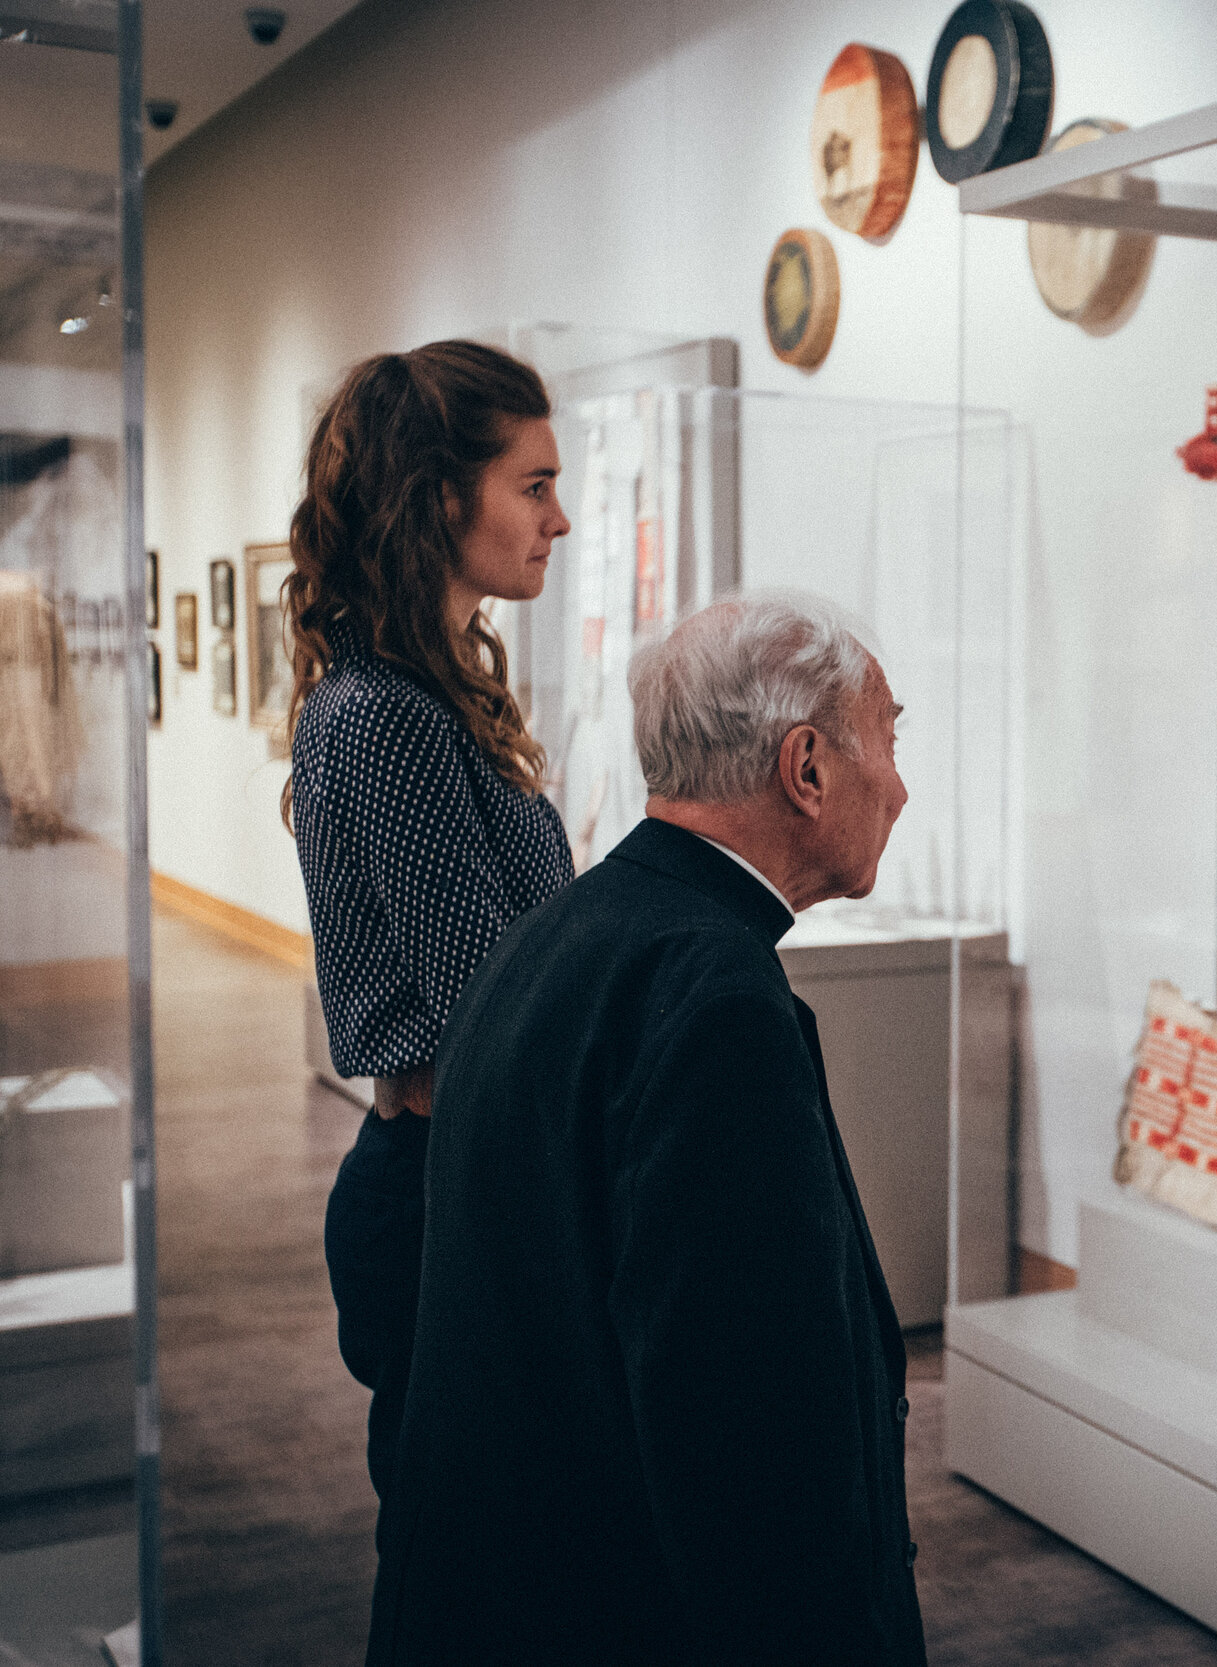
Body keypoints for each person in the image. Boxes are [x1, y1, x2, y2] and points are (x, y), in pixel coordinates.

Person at [366, 592, 924, 1666]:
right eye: (888, 739)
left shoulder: (570, 931)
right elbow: (743, 1437)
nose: (898, 785)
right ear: (805, 769)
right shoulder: (713, 1002)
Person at [283, 340, 574, 1505]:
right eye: (535, 485)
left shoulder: (421, 694)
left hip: (468, 1168)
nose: (560, 517)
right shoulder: (387, 715)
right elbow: (486, 995)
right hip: (446, 1182)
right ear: (443, 495)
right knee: (461, 1560)